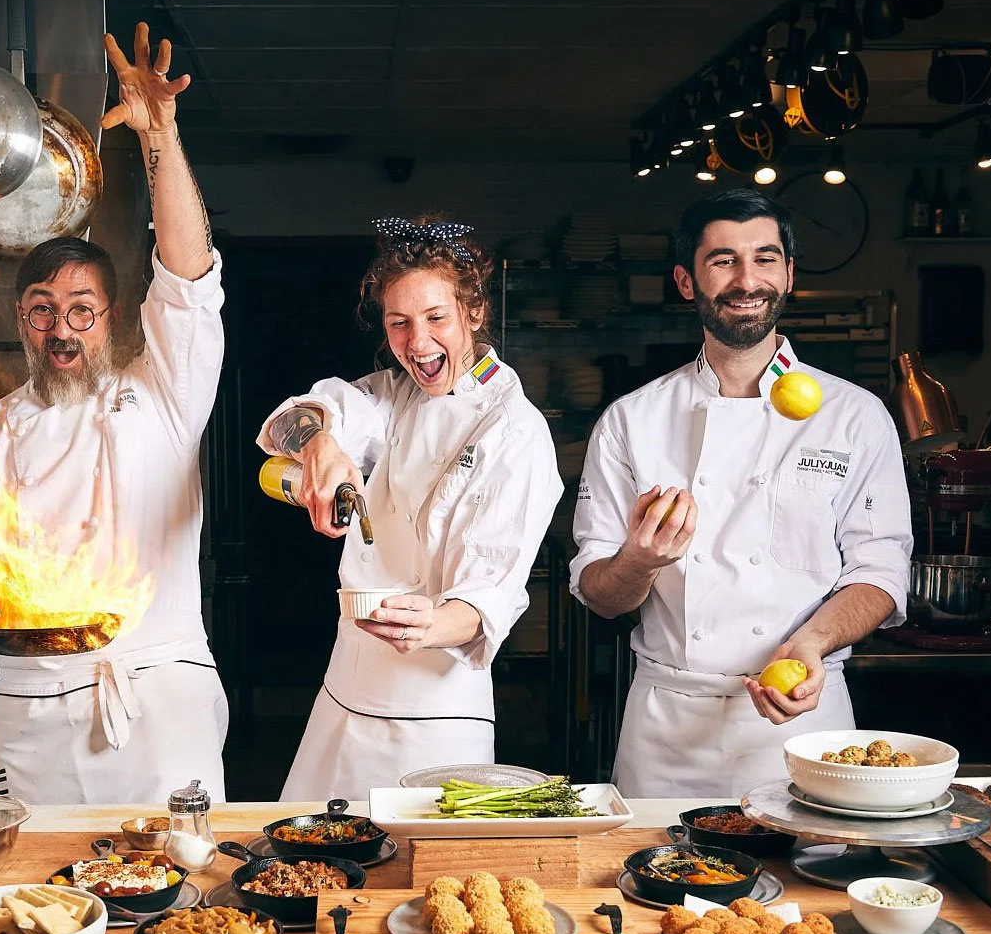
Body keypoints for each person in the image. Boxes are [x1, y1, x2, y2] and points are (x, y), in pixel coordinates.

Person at [0, 24, 229, 804]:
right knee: (35, 904)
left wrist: (159, 136)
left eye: (81, 309)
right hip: (36, 703)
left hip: (159, 693)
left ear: (112, 319)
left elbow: (188, 277)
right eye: (43, 309)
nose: (61, 327)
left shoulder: (163, 394)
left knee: (181, 892)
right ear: (22, 319)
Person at [570, 187, 912, 798]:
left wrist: (811, 643)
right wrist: (639, 561)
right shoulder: (632, 420)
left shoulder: (854, 416)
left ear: (788, 273)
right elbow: (600, 593)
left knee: (810, 892)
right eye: (723, 260)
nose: (746, 279)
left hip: (803, 721)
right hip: (668, 728)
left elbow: (881, 571)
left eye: (765, 257)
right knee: (652, 886)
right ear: (686, 280)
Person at [257, 216, 563, 800]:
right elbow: (313, 413)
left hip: (437, 713)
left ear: (473, 313)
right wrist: (321, 443)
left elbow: (490, 593)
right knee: (311, 868)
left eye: (435, 318)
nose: (417, 343)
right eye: (399, 323)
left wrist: (432, 625)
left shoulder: (514, 429)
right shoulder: (393, 393)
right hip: (345, 693)